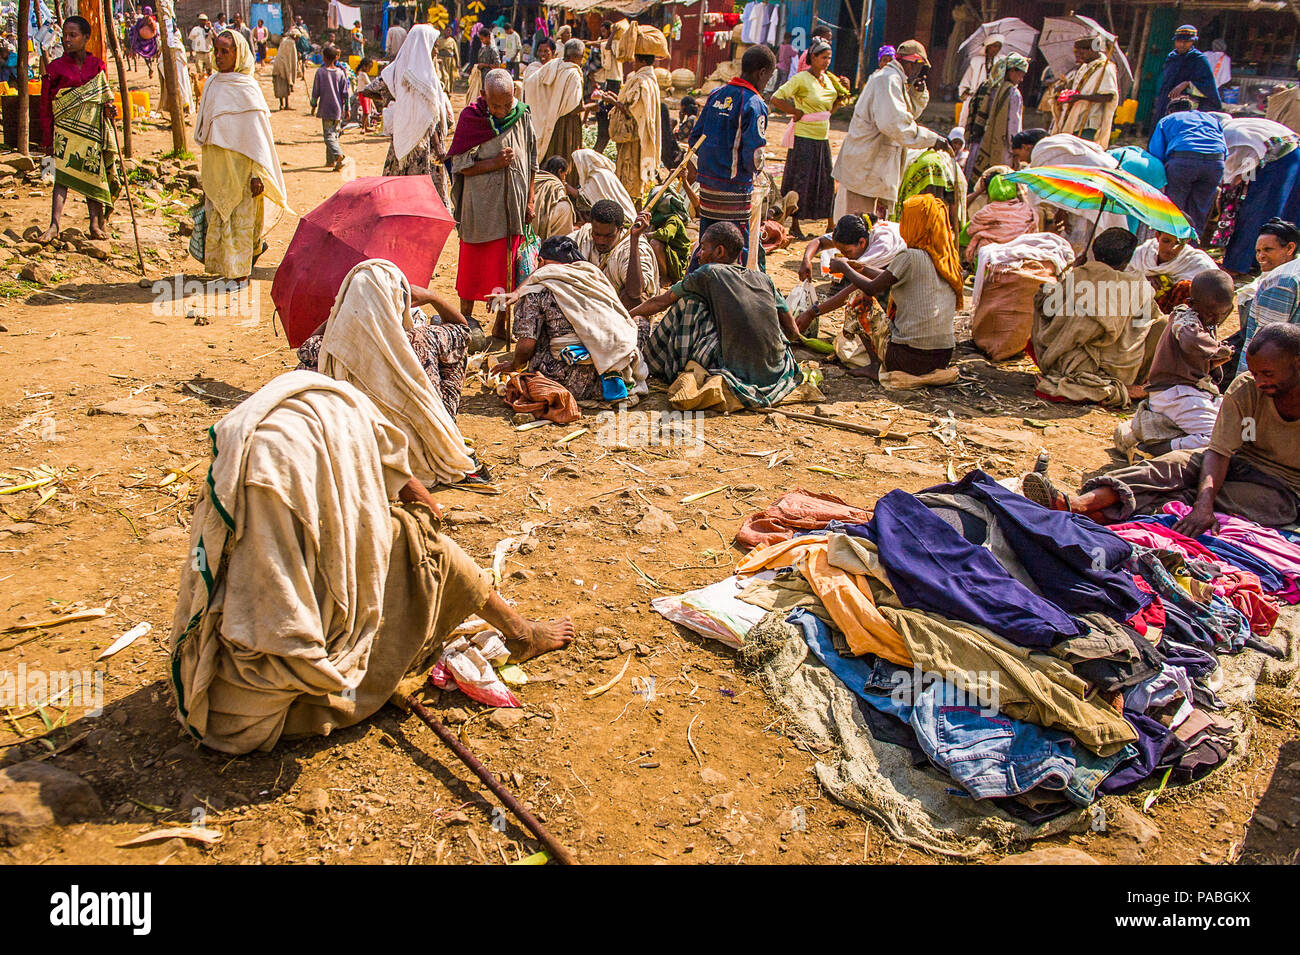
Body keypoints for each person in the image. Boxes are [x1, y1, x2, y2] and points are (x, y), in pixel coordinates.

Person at [169, 370, 572, 755]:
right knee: (432, 550)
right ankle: (520, 635)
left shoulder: (275, 437)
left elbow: (392, 470)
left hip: (238, 656)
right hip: (263, 695)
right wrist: (421, 520)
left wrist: (416, 512)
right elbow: (286, 634)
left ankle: (517, 633)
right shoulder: (277, 484)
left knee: (413, 539)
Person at [1024, 323, 1300, 531]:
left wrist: (1203, 506)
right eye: (1255, 373)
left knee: (1189, 497)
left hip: (1282, 489)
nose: (1260, 381)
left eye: (1268, 374)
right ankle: (1074, 504)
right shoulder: (1246, 388)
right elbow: (1219, 451)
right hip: (1239, 461)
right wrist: (1205, 503)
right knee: (1168, 467)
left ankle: (1093, 516)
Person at [294, 259, 480, 484]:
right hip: (416, 441)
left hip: (350, 447)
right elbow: (462, 330)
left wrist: (340, 313)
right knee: (452, 353)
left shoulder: (330, 346)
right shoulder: (420, 340)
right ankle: (443, 422)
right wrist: (432, 297)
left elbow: (307, 345)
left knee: (311, 369)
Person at [635, 222, 805, 408]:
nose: (698, 254)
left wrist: (625, 315)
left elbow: (661, 302)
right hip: (779, 370)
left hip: (736, 371)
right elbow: (793, 331)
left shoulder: (708, 273)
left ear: (719, 252)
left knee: (689, 303)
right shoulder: (764, 278)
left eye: (703, 247)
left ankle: (655, 364)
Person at [490, 236, 649, 401]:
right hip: (609, 372)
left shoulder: (536, 291)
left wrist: (515, 365)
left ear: (541, 261)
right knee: (640, 322)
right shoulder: (594, 279)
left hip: (560, 380)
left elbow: (525, 347)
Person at [823, 194, 962, 381]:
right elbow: (888, 278)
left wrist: (844, 268)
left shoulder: (910, 256)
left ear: (916, 223)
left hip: (907, 358)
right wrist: (862, 268)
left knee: (858, 298)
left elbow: (871, 288)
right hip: (942, 357)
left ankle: (874, 366)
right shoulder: (948, 259)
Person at [194, 29, 290, 281]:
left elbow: (258, 139)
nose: (219, 56)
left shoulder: (247, 88)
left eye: (225, 51)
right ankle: (227, 267)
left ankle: (240, 272)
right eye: (216, 50)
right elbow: (203, 127)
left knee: (241, 219)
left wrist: (258, 172)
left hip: (244, 168)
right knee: (220, 214)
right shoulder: (213, 84)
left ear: (239, 54)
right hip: (217, 165)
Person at [448, 68, 537, 326]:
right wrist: (495, 163)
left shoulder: (522, 115)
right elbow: (460, 165)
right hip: (480, 210)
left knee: (504, 269)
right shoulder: (471, 119)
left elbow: (532, 160)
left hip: (511, 208)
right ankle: (465, 321)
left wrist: (530, 200)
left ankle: (501, 324)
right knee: (472, 269)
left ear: (515, 95)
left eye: (507, 104)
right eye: (495, 106)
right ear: (483, 96)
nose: (502, 111)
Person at [1031, 228, 1155, 406]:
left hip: (1061, 359)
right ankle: (1121, 385)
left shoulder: (1077, 275)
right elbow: (1142, 325)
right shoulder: (1139, 285)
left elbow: (1045, 306)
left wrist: (1071, 272)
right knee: (1159, 322)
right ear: (1127, 260)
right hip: (1116, 367)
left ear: (1095, 251)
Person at [832, 39, 943, 222]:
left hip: (873, 165)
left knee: (870, 224)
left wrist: (917, 94)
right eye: (918, 67)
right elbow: (895, 124)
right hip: (866, 162)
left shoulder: (896, 80)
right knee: (859, 226)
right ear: (910, 63)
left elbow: (907, 115)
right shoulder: (888, 80)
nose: (917, 72)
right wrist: (932, 139)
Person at [36, 16, 118, 244]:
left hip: (91, 132)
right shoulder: (55, 68)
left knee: (94, 173)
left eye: (73, 35)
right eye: (65, 35)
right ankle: (54, 225)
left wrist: (110, 110)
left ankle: (95, 224)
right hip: (65, 133)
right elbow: (46, 105)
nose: (67, 40)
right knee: (61, 178)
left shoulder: (97, 66)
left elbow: (104, 97)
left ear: (86, 38)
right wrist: (47, 137)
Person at [689, 45, 775, 261]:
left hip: (708, 188)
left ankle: (701, 285)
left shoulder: (716, 94)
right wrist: (757, 171)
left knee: (707, 242)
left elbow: (695, 138)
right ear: (762, 73)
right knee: (736, 247)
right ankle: (733, 288)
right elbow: (755, 155)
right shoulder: (755, 104)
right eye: (769, 76)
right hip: (735, 189)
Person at [1140, 269, 1235, 450]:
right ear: (1192, 303)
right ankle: (1156, 449)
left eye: (1222, 313)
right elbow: (1190, 341)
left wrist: (1216, 359)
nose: (1215, 318)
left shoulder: (1207, 320)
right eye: (1210, 313)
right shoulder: (1184, 317)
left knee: (1235, 426)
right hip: (1173, 393)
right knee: (1217, 438)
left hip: (1195, 392)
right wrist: (1217, 350)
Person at [360, 25, 455, 204]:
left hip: (403, 142)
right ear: (424, 46)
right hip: (424, 146)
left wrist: (394, 100)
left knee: (400, 196)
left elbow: (369, 90)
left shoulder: (396, 70)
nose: (436, 50)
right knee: (425, 200)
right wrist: (398, 101)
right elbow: (429, 117)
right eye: (434, 45)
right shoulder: (422, 76)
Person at [771, 37, 849, 238]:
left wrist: (841, 98)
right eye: (823, 57)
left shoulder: (829, 79)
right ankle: (795, 224)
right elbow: (776, 98)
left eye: (829, 58)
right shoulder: (801, 79)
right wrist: (794, 111)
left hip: (822, 138)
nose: (826, 61)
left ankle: (830, 224)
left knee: (825, 181)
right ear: (812, 57)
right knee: (801, 181)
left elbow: (832, 106)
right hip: (804, 137)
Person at [1217, 116, 1300, 276]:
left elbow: (1231, 178)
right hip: (1294, 155)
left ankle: (1236, 265)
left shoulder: (1227, 135)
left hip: (1278, 161)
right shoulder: (1242, 123)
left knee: (1255, 213)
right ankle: (1279, 260)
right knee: (1287, 212)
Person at [1230, 219, 1300, 378]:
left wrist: (1249, 385)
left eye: (1268, 249)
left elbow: (1268, 343)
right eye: (1258, 251)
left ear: (1290, 248)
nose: (1260, 256)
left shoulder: (1282, 282)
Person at [1147, 98, 1227, 236]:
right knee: (1199, 210)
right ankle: (1191, 246)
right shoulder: (1210, 118)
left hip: (1183, 162)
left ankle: (1168, 241)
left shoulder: (1168, 119)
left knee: (1173, 209)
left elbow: (1156, 154)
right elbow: (1223, 147)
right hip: (1215, 164)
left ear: (1170, 111)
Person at [605, 42, 664, 204]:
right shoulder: (650, 80)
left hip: (634, 139)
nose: (633, 63)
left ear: (642, 62)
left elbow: (632, 111)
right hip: (640, 137)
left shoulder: (641, 81)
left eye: (635, 60)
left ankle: (630, 215)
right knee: (636, 179)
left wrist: (613, 102)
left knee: (630, 178)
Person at [571, 199, 658, 306]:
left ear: (620, 229)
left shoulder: (635, 247)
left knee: (634, 299)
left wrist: (634, 240)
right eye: (597, 234)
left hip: (617, 309)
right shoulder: (582, 237)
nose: (601, 241)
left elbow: (635, 292)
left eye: (608, 236)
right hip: (585, 304)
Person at [965, 53, 1028, 181]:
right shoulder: (1012, 93)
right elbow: (1013, 126)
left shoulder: (985, 86)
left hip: (978, 146)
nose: (1021, 80)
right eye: (1021, 75)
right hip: (999, 146)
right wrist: (1015, 152)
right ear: (1012, 71)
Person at [525, 37, 584, 172]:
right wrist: (593, 107)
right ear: (576, 56)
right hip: (567, 124)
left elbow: (530, 84)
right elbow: (573, 106)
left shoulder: (553, 66)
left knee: (551, 154)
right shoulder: (573, 73)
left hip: (551, 121)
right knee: (565, 155)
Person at [1048, 36, 1119, 148]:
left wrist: (1081, 97)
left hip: (1088, 122)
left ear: (1091, 50)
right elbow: (1079, 86)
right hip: (1073, 119)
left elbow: (1108, 96)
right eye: (1076, 53)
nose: (1077, 56)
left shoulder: (1106, 68)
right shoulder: (1084, 67)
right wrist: (1063, 87)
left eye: (1080, 53)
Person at [1127, 231, 1219, 311]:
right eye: (1166, 241)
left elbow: (1216, 288)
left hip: (1175, 317)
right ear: (1157, 236)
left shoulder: (1196, 262)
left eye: (1178, 243)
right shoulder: (1143, 254)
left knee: (1186, 287)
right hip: (1139, 312)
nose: (1170, 248)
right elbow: (1121, 274)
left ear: (1187, 241)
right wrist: (1144, 278)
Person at [1153, 25, 1222, 123]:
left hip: (1187, 108)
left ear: (1192, 42)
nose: (1182, 44)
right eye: (1179, 41)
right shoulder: (1171, 58)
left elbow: (1208, 87)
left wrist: (1187, 84)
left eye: (1186, 42)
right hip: (1165, 103)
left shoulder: (1199, 60)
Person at [964, 173, 1034, 262]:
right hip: (1021, 254)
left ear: (991, 190)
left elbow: (970, 230)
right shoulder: (1027, 209)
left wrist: (980, 190)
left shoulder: (985, 212)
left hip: (990, 259)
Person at [310, 44, 351, 171]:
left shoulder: (321, 72)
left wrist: (313, 104)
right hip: (338, 108)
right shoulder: (340, 73)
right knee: (334, 135)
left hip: (326, 108)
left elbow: (315, 91)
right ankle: (331, 162)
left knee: (328, 136)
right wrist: (347, 109)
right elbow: (346, 93)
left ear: (324, 58)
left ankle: (339, 155)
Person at [533, 156, 576, 240]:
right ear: (560, 171)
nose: (564, 178)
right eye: (565, 174)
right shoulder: (556, 187)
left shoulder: (535, 178)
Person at [129, 5, 161, 78]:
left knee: (146, 58)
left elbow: (135, 32)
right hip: (151, 44)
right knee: (149, 58)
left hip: (143, 44)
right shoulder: (152, 21)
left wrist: (133, 45)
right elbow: (156, 34)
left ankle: (150, 68)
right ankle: (150, 68)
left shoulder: (142, 21)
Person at [270, 34, 298, 110]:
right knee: (285, 85)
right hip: (284, 67)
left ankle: (281, 104)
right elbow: (292, 59)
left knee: (280, 86)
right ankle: (286, 104)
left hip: (278, 66)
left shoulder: (284, 40)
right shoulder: (291, 43)